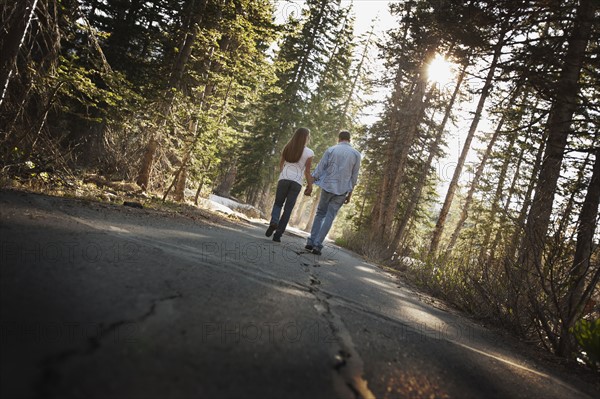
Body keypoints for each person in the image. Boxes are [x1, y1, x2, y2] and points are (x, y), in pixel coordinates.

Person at [306, 130, 361, 255]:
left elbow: (320, 168)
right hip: (342, 190)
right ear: (350, 140)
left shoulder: (331, 149)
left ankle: (310, 242)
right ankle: (317, 245)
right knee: (330, 217)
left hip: (327, 186)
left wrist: (311, 183)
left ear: (339, 139)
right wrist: (350, 194)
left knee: (320, 214)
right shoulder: (356, 154)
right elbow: (354, 176)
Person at [266, 127, 314, 242]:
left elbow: (281, 163)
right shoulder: (309, 152)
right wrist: (310, 186)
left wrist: (283, 173)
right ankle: (278, 235)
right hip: (296, 183)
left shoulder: (287, 147)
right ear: (306, 138)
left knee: (278, 203)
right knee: (288, 209)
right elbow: (307, 171)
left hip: (284, 179)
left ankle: (274, 221)